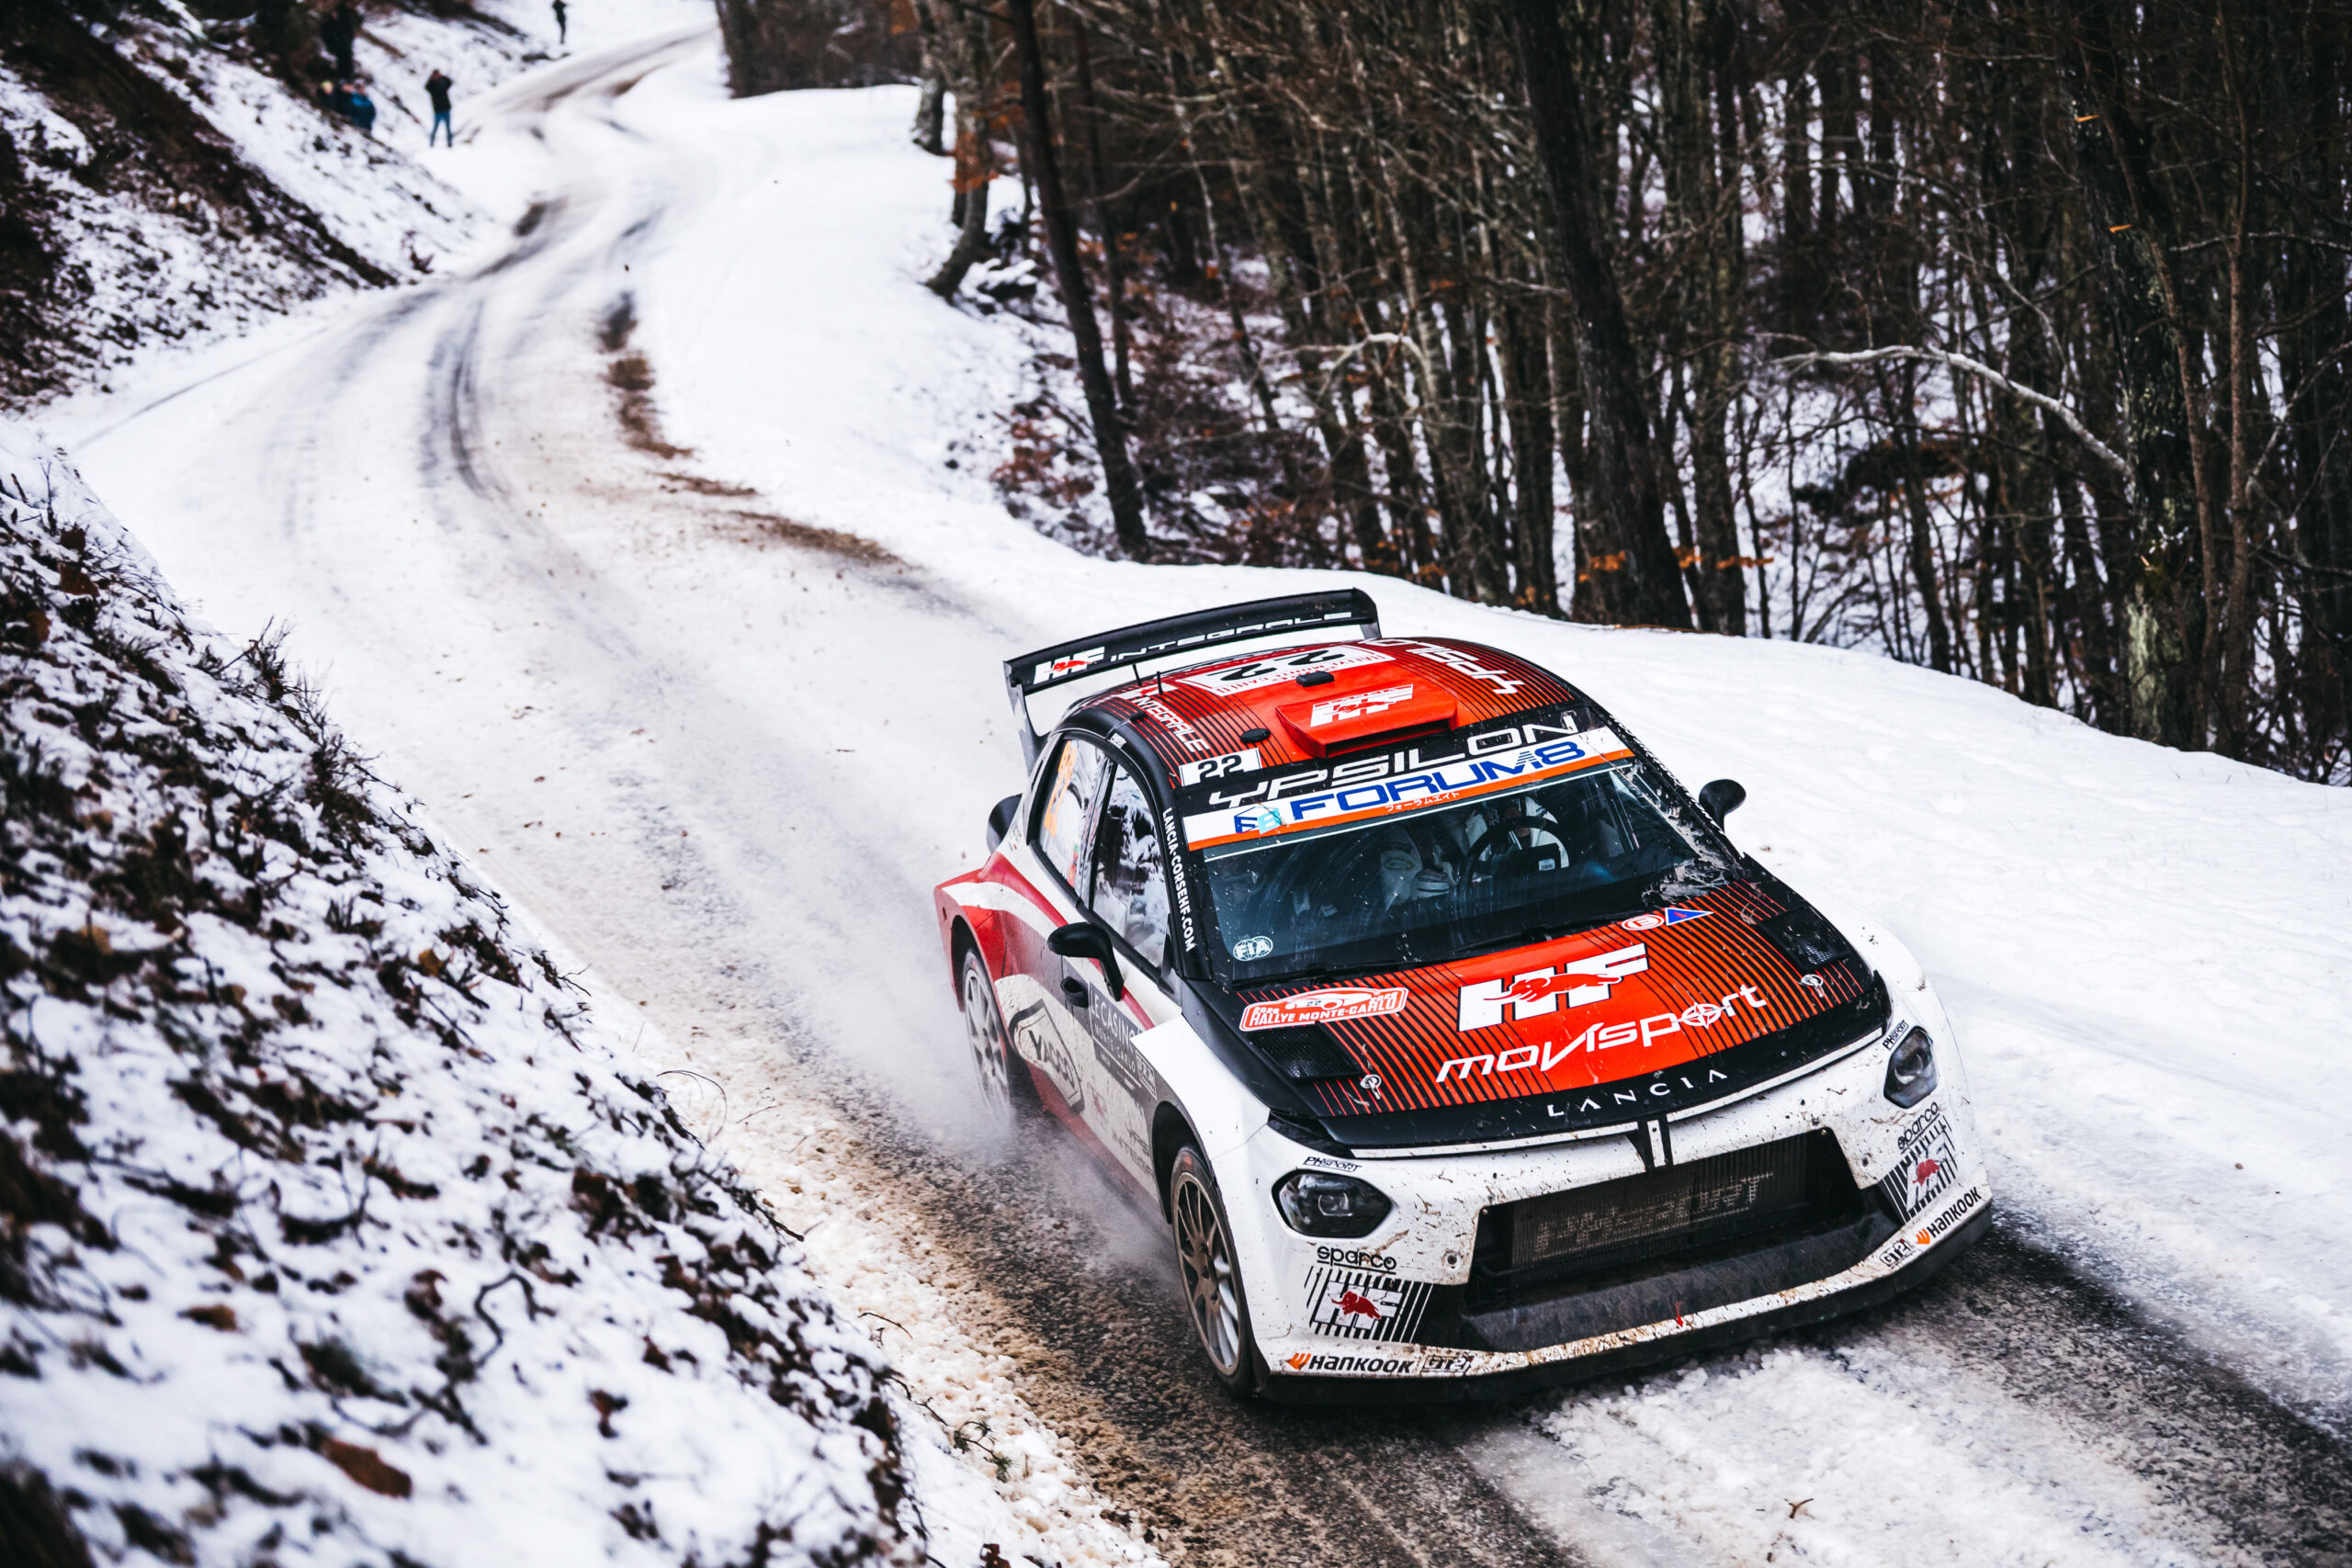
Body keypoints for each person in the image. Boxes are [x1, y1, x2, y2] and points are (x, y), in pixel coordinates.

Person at [425, 69, 454, 147]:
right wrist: (431, 79)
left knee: (448, 128)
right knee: (435, 128)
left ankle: (450, 143)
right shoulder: (432, 86)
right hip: (438, 111)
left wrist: (442, 77)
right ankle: (432, 143)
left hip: (446, 109)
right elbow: (426, 87)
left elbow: (449, 82)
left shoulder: (443, 84)